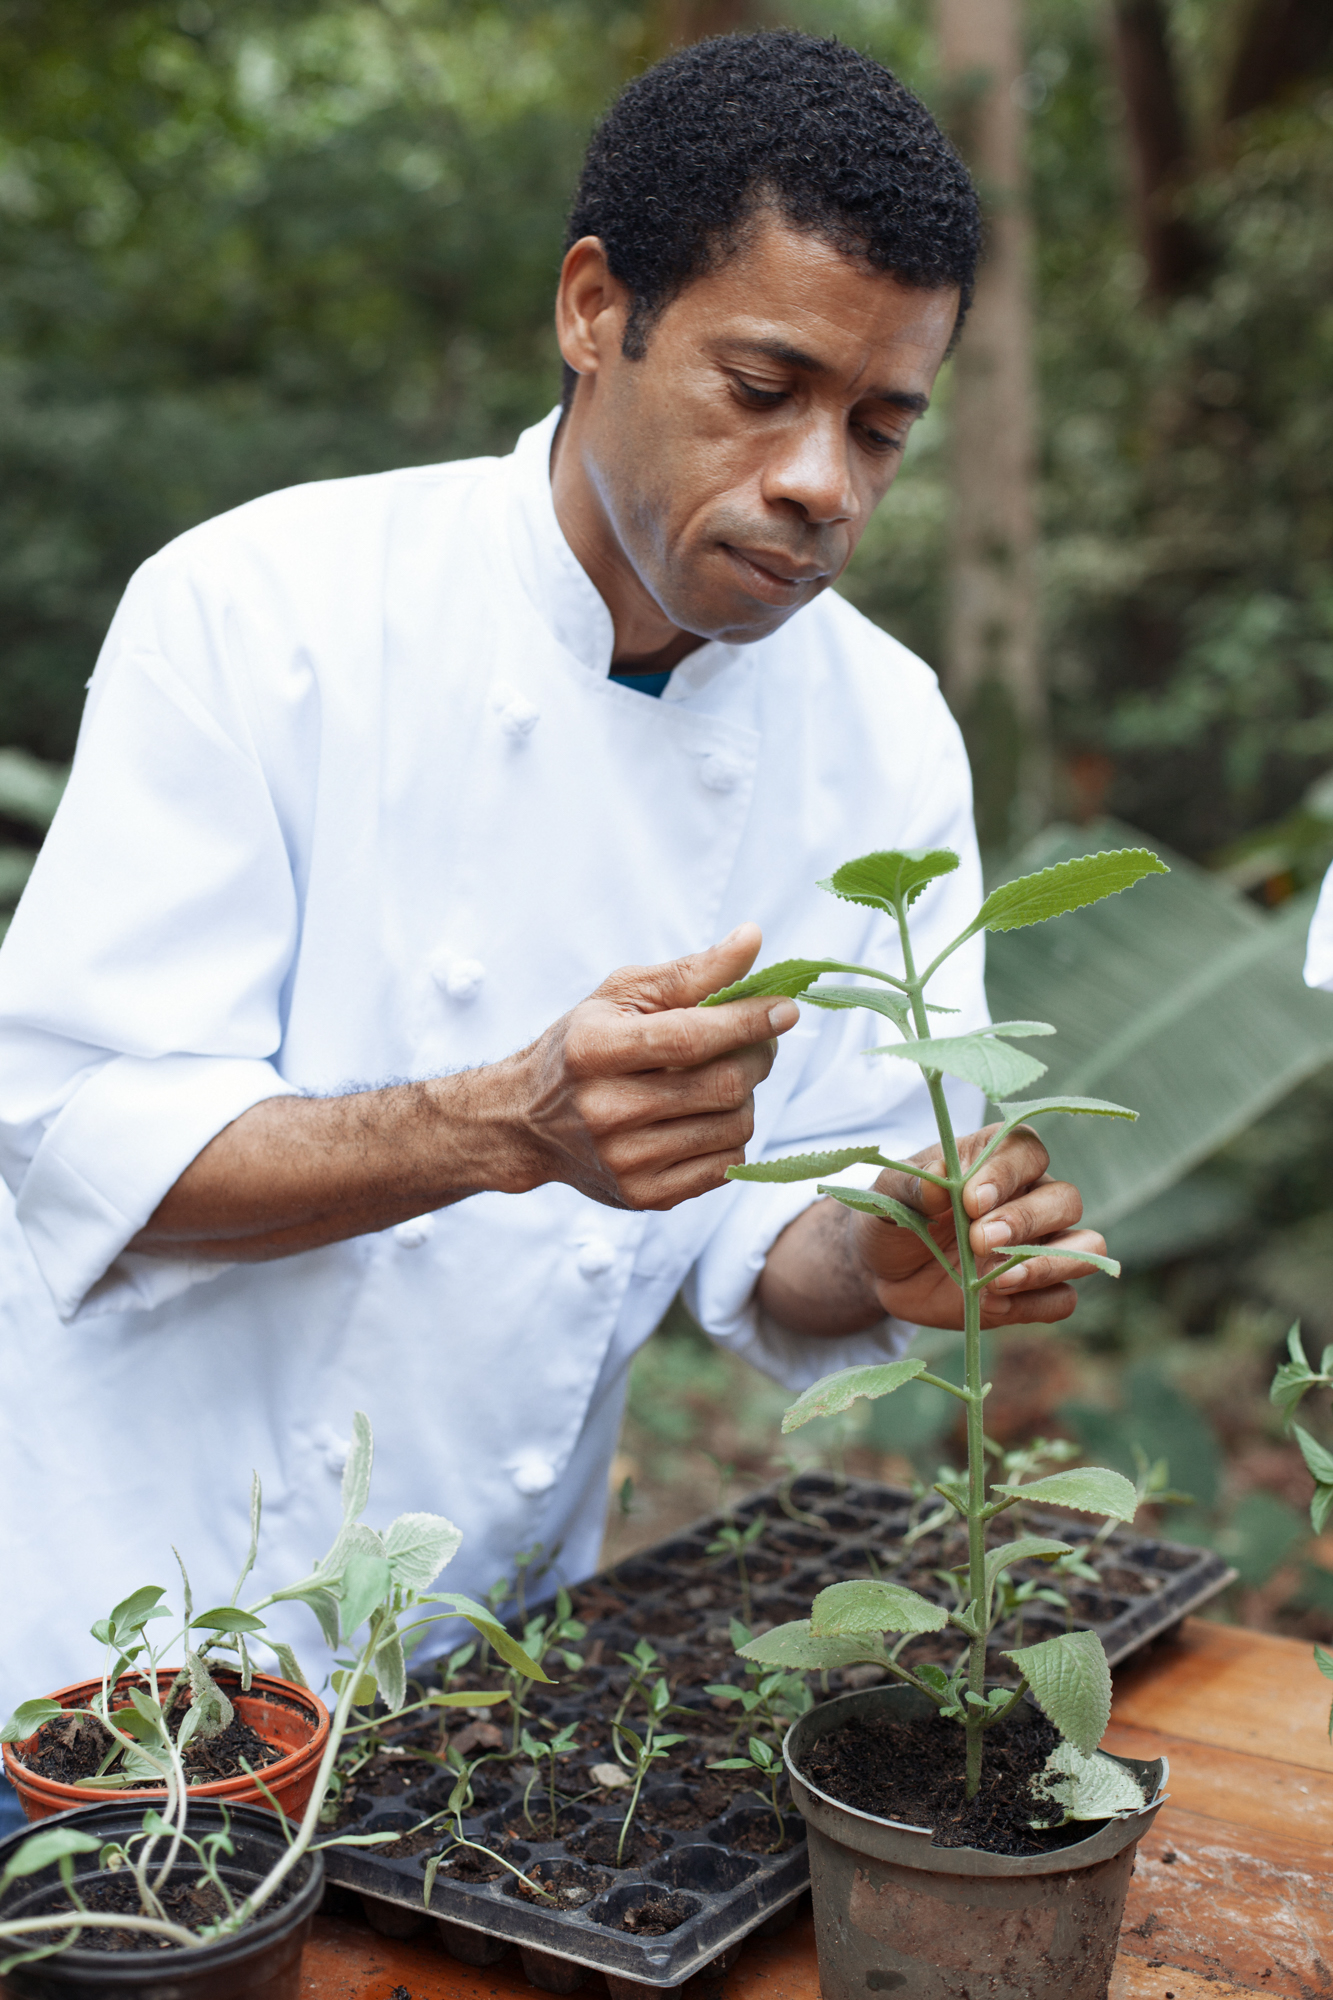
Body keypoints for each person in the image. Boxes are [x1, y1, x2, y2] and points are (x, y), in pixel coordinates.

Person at [0, 31, 1106, 1764]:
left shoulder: (881, 730)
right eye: (764, 387)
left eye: (880, 426)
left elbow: (782, 1243)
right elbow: (81, 1152)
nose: (823, 483)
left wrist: (894, 1251)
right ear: (596, 310)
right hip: (116, 1640)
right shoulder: (267, 609)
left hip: (493, 1665)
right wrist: (507, 1124)